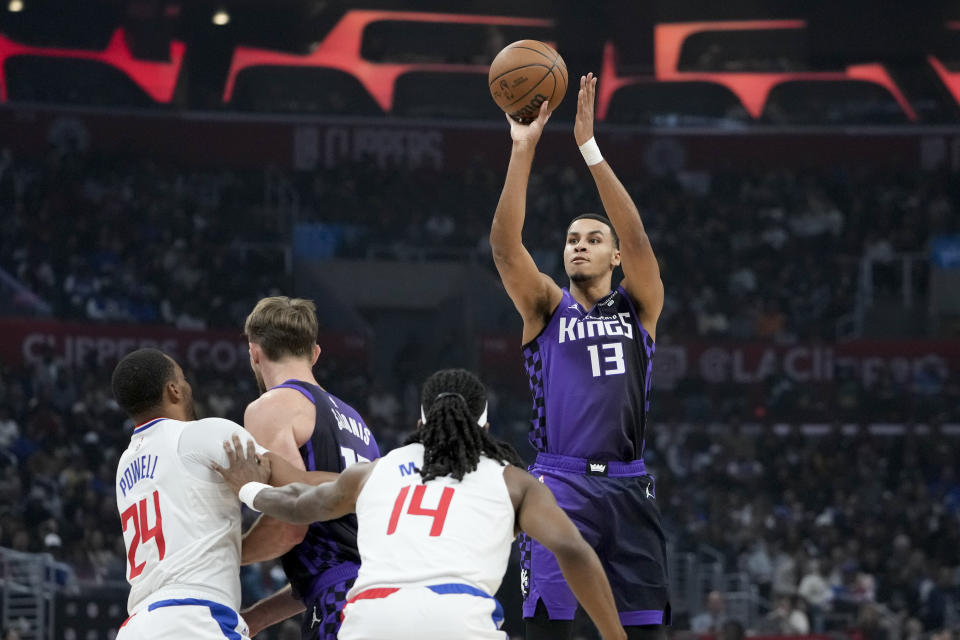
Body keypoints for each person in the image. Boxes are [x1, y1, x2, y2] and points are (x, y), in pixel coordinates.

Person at [214, 368, 627, 640]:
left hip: (367, 620)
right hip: (455, 618)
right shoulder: (512, 481)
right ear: (485, 426)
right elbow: (573, 549)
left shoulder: (375, 471)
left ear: (419, 424)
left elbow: (301, 504)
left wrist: (249, 489)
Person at [489, 72, 668, 639]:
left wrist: (589, 148)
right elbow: (503, 246)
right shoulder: (545, 307)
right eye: (571, 239)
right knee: (546, 631)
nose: (580, 246)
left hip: (628, 484)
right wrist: (524, 149)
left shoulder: (638, 307)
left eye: (593, 239)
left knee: (644, 633)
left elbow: (639, 239)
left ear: (614, 256)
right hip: (558, 483)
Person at [110, 348, 313, 639]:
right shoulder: (203, 434)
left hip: (137, 624)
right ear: (174, 390)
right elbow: (300, 494)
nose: (189, 386)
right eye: (183, 378)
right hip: (194, 618)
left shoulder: (125, 467)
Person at [238, 296, 381, 639]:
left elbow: (290, 526)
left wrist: (219, 556)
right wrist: (257, 617)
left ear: (254, 353)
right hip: (383, 595)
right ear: (315, 354)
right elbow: (334, 558)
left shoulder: (270, 407)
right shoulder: (356, 421)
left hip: (342, 605)